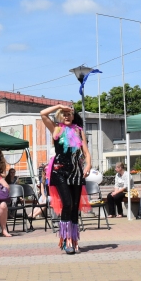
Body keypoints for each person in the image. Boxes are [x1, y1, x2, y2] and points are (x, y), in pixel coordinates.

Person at [39, 104, 89, 254]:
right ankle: (65, 238)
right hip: (59, 171)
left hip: (76, 170)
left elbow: (86, 151)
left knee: (74, 205)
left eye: (69, 114)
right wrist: (59, 106)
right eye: (64, 114)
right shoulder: (56, 129)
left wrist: (88, 165)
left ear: (74, 116)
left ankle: (73, 240)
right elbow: (42, 113)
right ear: (61, 116)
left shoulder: (79, 131)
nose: (67, 116)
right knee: (67, 203)